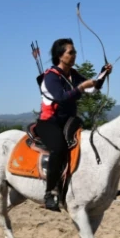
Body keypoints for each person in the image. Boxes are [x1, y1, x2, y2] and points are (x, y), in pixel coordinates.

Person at [36, 38, 112, 211]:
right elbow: (61, 97)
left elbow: (92, 87)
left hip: (68, 122)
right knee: (59, 149)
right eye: (71, 52)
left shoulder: (73, 74)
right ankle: (50, 194)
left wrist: (103, 73)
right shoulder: (50, 77)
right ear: (60, 56)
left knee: (88, 146)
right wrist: (80, 88)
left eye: (74, 52)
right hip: (49, 123)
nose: (74, 55)